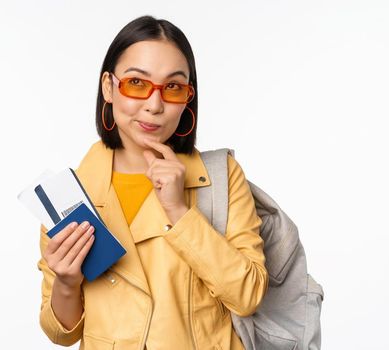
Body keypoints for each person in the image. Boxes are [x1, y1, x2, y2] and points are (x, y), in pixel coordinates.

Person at [36, 15, 268, 350]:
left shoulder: (220, 176)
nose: (155, 105)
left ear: (187, 98)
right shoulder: (69, 194)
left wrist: (179, 210)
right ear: (108, 87)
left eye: (173, 87)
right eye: (137, 84)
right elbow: (61, 333)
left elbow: (248, 296)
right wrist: (67, 283)